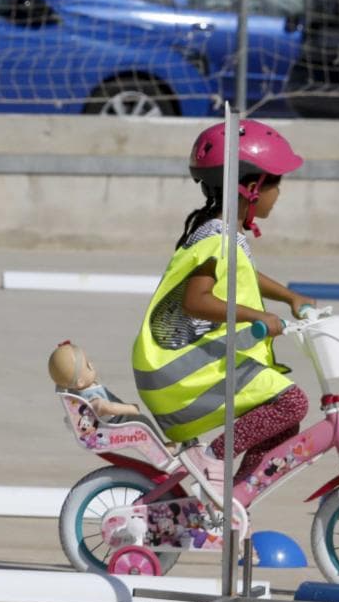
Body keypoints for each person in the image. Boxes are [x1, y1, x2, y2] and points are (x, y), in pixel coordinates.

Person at [132, 120, 314, 486]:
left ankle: (233, 499)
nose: (279, 194)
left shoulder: (221, 233)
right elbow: (197, 300)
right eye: (276, 183)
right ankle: (211, 458)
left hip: (192, 371)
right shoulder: (216, 237)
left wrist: (290, 297)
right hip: (182, 375)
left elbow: (241, 276)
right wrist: (258, 315)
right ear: (252, 188)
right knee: (292, 403)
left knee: (285, 421)